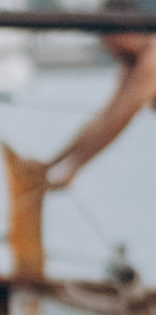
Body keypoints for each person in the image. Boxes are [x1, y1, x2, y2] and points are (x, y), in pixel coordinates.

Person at [42, 22, 156, 193]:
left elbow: (120, 119)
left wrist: (75, 166)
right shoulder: (131, 64)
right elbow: (104, 118)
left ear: (126, 32)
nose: (111, 52)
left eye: (110, 43)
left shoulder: (151, 59)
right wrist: (52, 163)